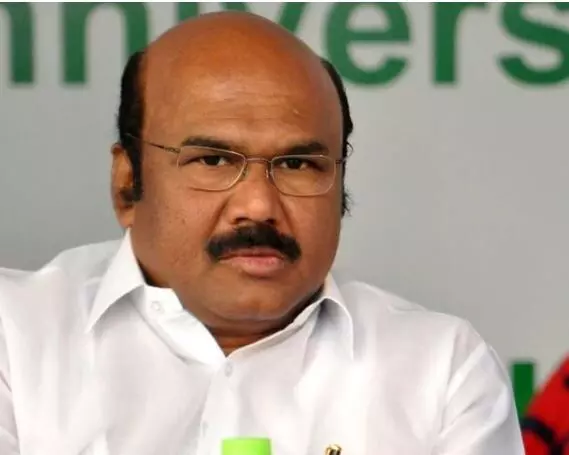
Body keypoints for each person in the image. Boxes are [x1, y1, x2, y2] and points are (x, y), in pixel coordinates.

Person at [0, 11, 524, 455]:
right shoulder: (16, 337)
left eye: (297, 164)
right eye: (212, 160)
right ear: (126, 183)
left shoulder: (440, 369)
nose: (258, 207)